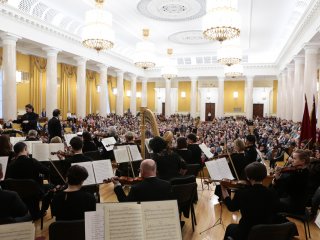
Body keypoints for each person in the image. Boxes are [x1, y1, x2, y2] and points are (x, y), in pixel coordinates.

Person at [222, 162, 279, 240]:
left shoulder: (242, 193)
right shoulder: (272, 192)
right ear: (264, 176)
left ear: (248, 177)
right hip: (266, 231)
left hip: (246, 232)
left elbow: (231, 207)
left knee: (230, 227)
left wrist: (223, 189)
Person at [272, 149, 310, 214]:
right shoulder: (301, 171)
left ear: (303, 161)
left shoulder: (300, 175)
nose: (291, 160)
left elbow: (282, 190)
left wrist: (277, 178)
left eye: (294, 158)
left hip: (295, 206)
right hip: (292, 200)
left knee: (271, 201)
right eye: (292, 157)